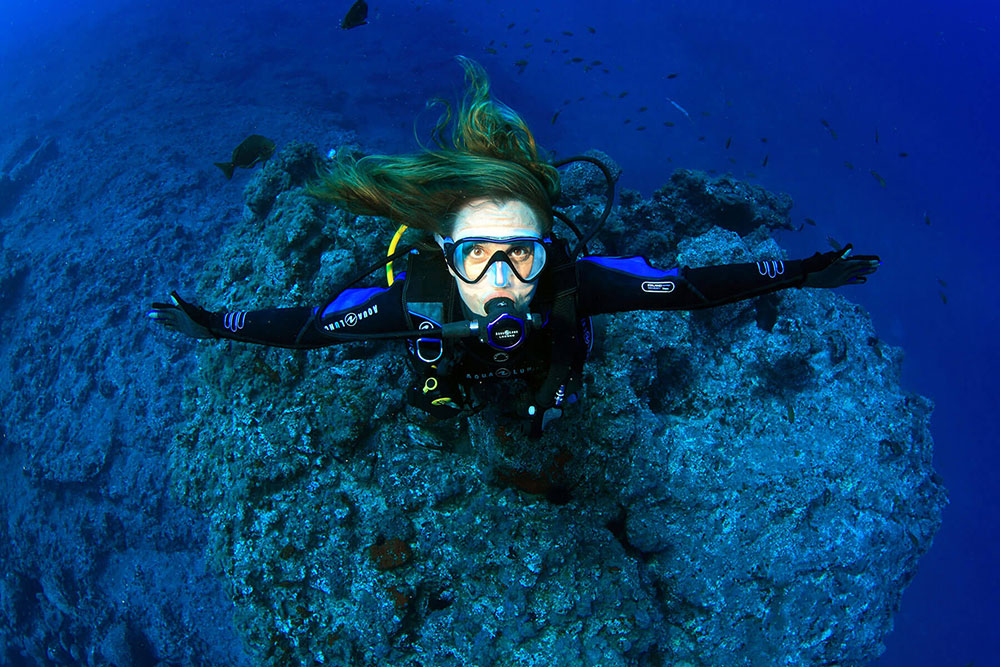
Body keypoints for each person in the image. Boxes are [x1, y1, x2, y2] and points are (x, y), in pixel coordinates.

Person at [149, 57, 879, 437]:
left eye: (521, 254)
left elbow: (690, 287)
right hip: (450, 359)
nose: (501, 277)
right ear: (442, 248)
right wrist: (216, 323)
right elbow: (309, 328)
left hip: (550, 367)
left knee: (561, 388)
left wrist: (802, 273)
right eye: (476, 256)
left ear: (548, 243)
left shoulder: (573, 284)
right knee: (434, 392)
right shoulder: (417, 300)